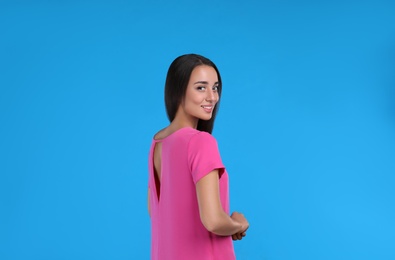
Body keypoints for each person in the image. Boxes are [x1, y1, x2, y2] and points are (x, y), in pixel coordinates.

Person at [147, 54, 249, 259]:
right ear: (178, 91)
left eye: (215, 87)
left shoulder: (158, 143)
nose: (212, 97)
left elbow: (154, 210)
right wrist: (238, 224)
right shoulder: (200, 142)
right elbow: (213, 221)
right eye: (201, 87)